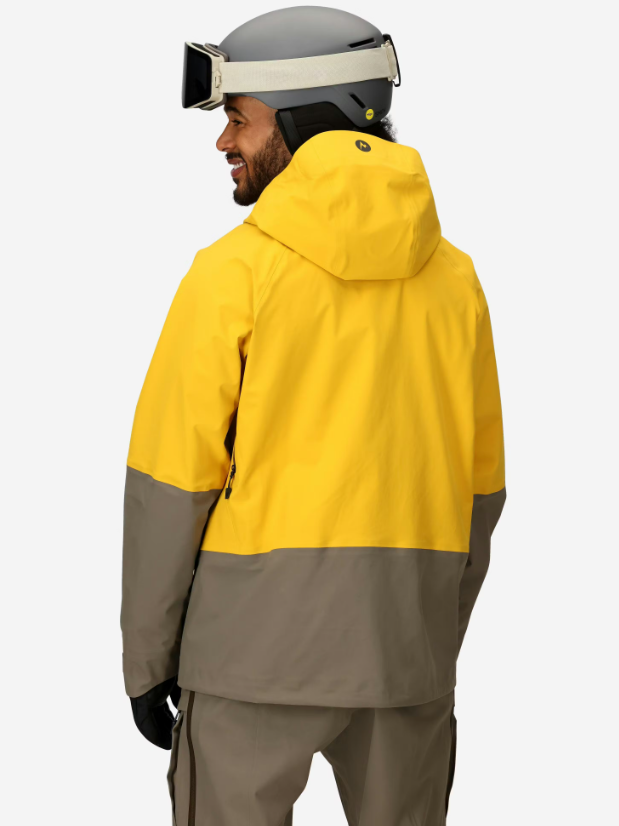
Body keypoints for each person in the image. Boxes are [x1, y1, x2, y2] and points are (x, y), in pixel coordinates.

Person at [120, 7, 506, 825]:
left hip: (250, 662)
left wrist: (147, 663)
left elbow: (170, 487)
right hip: (405, 657)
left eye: (238, 118)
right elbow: (480, 494)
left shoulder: (232, 273)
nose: (222, 142)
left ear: (301, 118)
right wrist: (427, 641)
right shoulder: (456, 281)